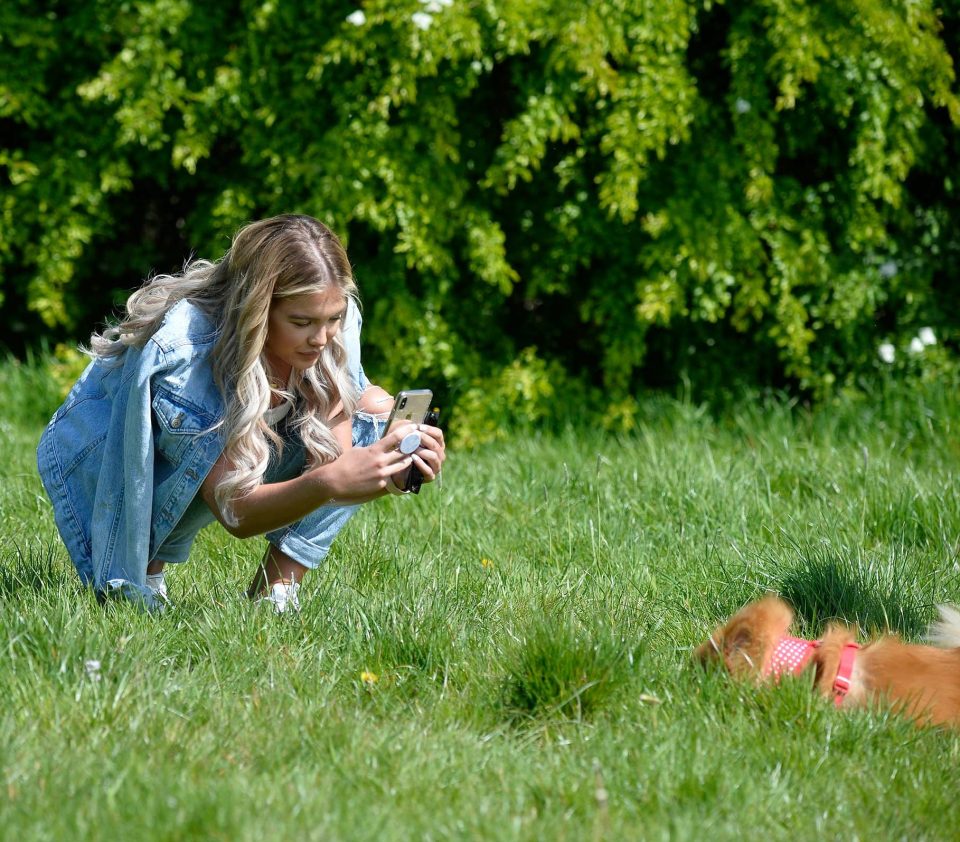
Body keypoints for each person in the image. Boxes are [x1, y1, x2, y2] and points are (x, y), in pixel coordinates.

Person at [37, 214, 445, 613]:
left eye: (333, 319)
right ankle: (149, 565)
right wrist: (330, 481)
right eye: (302, 322)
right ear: (258, 310)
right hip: (110, 455)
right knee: (128, 600)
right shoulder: (188, 356)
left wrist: (387, 475)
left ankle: (275, 591)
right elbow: (237, 512)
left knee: (375, 413)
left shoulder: (332, 318)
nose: (321, 337)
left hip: (231, 445)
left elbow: (335, 460)